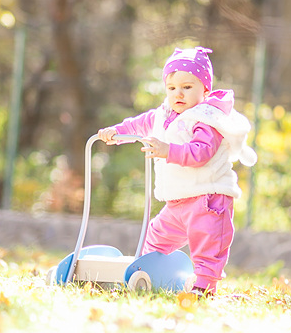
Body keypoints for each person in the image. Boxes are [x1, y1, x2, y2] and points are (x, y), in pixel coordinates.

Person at [97, 46, 257, 295]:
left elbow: (200, 152)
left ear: (205, 88)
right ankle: (147, 271)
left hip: (207, 197)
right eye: (171, 88)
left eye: (187, 87)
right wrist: (116, 133)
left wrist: (167, 150)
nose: (178, 94)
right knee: (156, 236)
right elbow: (138, 124)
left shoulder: (205, 119)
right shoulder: (164, 115)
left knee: (207, 242)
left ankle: (204, 286)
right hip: (178, 201)